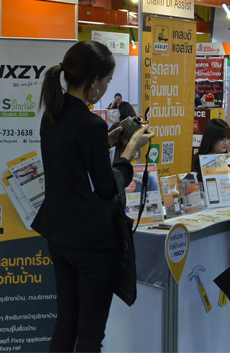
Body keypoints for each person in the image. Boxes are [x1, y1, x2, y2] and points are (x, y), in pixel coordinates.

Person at [32, 41, 154, 353]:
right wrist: (129, 151)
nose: (107, 87)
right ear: (94, 81)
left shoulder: (53, 115)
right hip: (91, 242)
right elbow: (106, 187)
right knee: (89, 335)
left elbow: (73, 157)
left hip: (59, 234)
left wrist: (107, 139)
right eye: (108, 80)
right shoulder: (89, 124)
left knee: (65, 324)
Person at [194, 119, 230, 205]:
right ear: (211, 139)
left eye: (227, 138)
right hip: (227, 204)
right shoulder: (205, 162)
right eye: (222, 139)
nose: (226, 142)